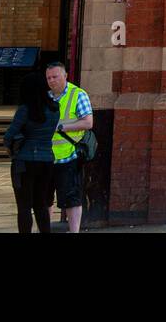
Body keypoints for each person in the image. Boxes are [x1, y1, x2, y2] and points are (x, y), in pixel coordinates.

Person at [4, 72, 60, 234]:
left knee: (24, 206)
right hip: (46, 158)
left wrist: (10, 147)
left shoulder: (25, 109)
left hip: (24, 161)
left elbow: (9, 135)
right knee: (41, 204)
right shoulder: (54, 108)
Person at [45, 61, 93, 233]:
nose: (52, 81)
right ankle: (45, 229)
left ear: (65, 76)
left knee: (72, 199)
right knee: (44, 199)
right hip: (46, 157)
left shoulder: (77, 95)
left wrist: (62, 128)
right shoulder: (45, 97)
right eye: (49, 78)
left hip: (69, 156)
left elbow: (88, 122)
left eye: (55, 77)